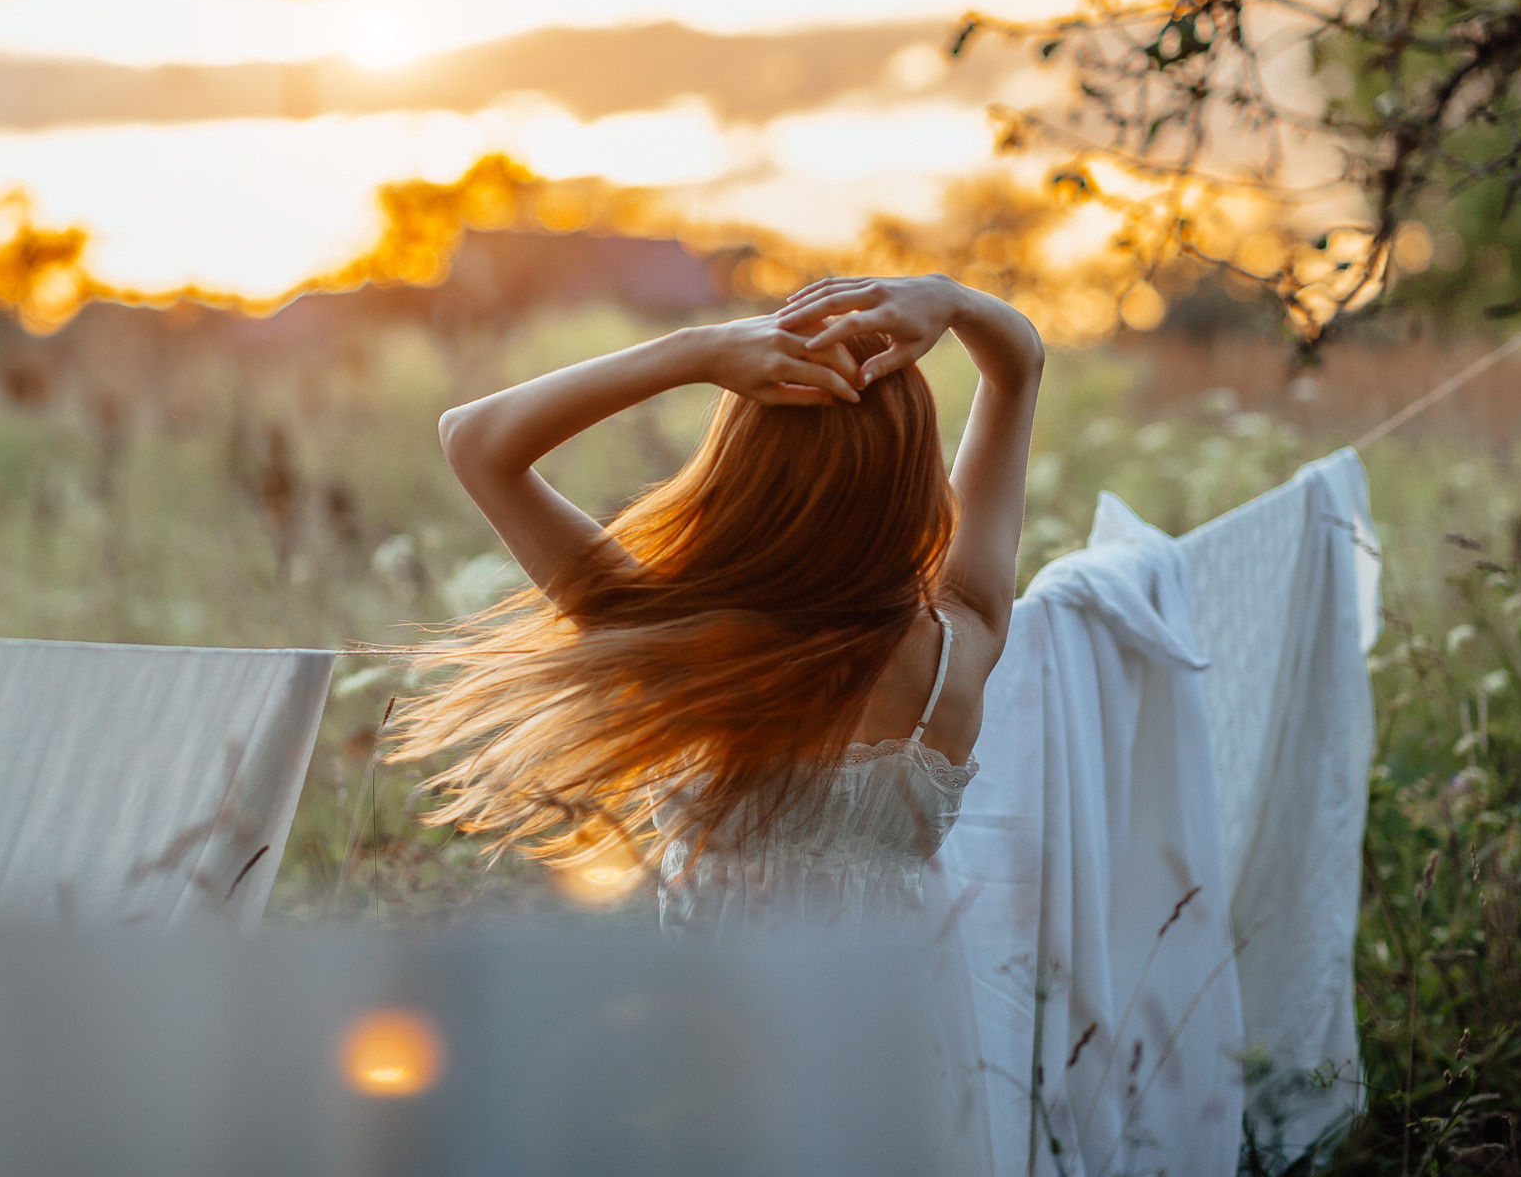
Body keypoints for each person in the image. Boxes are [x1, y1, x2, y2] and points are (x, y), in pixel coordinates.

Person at [386, 273, 1043, 933]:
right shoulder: (957, 646)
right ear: (909, 474)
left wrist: (697, 351)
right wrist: (949, 298)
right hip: (903, 1033)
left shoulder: (678, 640)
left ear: (741, 473)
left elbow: (473, 440)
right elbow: (1018, 371)